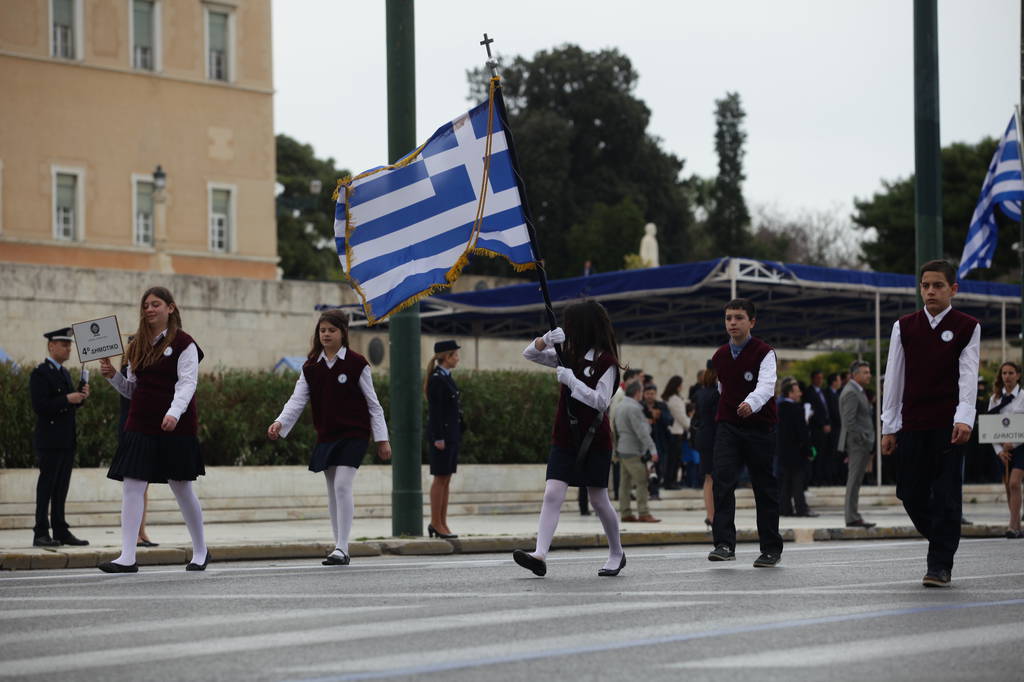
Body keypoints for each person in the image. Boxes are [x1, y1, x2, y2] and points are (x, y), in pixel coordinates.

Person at [881, 259, 980, 588]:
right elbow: (893, 379)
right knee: (909, 493)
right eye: (925, 285)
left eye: (938, 285)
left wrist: (965, 419)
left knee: (948, 495)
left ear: (953, 289)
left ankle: (939, 565)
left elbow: (969, 377)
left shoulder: (967, 326)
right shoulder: (904, 326)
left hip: (950, 426)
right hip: (912, 424)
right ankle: (944, 536)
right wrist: (889, 426)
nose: (931, 291)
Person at [268, 310, 392, 566]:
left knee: (342, 486)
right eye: (322, 330)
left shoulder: (357, 363)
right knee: (333, 491)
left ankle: (342, 547)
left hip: (354, 434)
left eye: (331, 330)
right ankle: (339, 546)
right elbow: (298, 399)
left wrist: (382, 439)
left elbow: (374, 404)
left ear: (343, 333)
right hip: (327, 435)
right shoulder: (311, 366)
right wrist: (280, 422)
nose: (325, 334)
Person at [98, 287, 208, 573]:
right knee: (132, 485)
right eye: (145, 305)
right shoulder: (136, 345)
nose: (149, 309)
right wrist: (113, 377)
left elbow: (187, 383)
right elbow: (133, 390)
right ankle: (127, 556)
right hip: (140, 423)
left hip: (176, 425)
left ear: (170, 308)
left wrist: (173, 413)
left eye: (155, 304)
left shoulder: (186, 344)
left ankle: (200, 551)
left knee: (181, 487)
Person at [513, 301, 625, 577]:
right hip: (564, 435)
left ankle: (616, 552)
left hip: (593, 439)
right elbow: (530, 354)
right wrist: (544, 340)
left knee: (598, 499)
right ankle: (540, 554)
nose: (568, 329)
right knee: (553, 493)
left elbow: (600, 401)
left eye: (571, 324)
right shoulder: (569, 353)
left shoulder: (607, 362)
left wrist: (572, 381)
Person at [708, 298, 784, 568]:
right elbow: (721, 388)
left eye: (739, 317)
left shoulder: (765, 353)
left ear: (752, 322)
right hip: (729, 426)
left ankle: (771, 548)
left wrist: (750, 404)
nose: (732, 323)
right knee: (723, 482)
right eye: (728, 317)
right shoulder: (718, 356)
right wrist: (733, 409)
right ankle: (724, 543)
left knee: (764, 488)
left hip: (760, 427)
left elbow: (767, 386)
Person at [29, 327, 90, 547]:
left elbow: (69, 403)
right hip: (50, 439)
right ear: (51, 346)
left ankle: (60, 529)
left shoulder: (63, 372)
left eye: (69, 345)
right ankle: (41, 532)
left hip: (65, 439)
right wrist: (68, 399)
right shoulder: (41, 373)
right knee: (47, 486)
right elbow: (41, 406)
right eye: (64, 345)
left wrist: (80, 397)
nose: (68, 349)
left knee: (61, 486)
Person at [118, 346, 157, 547]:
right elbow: (131, 393)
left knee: (142, 488)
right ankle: (136, 535)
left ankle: (140, 532)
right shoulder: (130, 371)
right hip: (132, 430)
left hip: (139, 429)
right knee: (135, 487)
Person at [424, 340, 463, 537]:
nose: (457, 358)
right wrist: (438, 437)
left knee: (446, 479)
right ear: (446, 357)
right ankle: (435, 523)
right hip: (442, 438)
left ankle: (442, 522)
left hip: (451, 436)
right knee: (440, 479)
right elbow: (436, 412)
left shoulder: (446, 377)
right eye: (455, 354)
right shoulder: (437, 379)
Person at [986, 362, 1024, 538]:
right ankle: (1016, 525)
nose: (1007, 376)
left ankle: (1012, 525)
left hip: (1020, 447)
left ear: (1018, 375)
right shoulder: (994, 399)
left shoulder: (1023, 397)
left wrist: (1013, 443)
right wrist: (999, 450)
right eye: (1004, 373)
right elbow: (989, 427)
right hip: (1001, 449)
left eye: (1011, 373)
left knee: (1015, 483)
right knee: (1008, 486)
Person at [615, 381, 660, 523]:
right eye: (641, 391)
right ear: (637, 393)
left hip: (623, 448)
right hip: (633, 449)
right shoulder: (633, 408)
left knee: (625, 483)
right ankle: (643, 512)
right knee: (642, 481)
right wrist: (652, 448)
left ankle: (625, 512)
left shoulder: (620, 405)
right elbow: (641, 432)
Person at [839, 361, 876, 528]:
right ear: (855, 375)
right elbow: (849, 422)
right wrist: (864, 439)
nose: (869, 375)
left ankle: (853, 515)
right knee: (854, 481)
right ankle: (852, 517)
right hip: (857, 444)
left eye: (869, 372)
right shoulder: (851, 392)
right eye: (865, 372)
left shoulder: (857, 391)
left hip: (861, 443)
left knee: (856, 480)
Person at [777, 378, 816, 517]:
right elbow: (802, 433)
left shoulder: (779, 408)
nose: (800, 394)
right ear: (790, 393)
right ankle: (801, 508)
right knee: (798, 481)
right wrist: (808, 449)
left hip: (783, 451)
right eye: (797, 391)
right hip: (797, 452)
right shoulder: (796, 409)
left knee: (786, 482)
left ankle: (784, 508)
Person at [609, 367, 643, 500]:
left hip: (625, 436)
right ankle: (619, 493)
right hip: (618, 435)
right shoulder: (619, 393)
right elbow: (613, 415)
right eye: (635, 379)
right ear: (629, 380)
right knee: (618, 465)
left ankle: (625, 492)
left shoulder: (628, 395)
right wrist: (614, 435)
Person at [692, 364, 719, 529]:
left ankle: (710, 515)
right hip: (715, 437)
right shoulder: (717, 393)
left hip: (703, 437)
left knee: (708, 478)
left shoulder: (699, 393)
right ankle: (714, 515)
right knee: (716, 477)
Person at [642, 383, 673, 498]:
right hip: (644, 444)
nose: (650, 396)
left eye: (652, 394)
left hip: (660, 442)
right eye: (648, 394)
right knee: (648, 469)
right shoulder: (640, 406)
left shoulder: (661, 406)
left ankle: (655, 491)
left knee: (659, 468)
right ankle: (650, 491)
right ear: (644, 394)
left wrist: (660, 416)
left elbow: (670, 420)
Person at [805, 369, 833, 486]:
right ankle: (814, 479)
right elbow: (813, 412)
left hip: (826, 428)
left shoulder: (823, 392)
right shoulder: (809, 392)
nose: (820, 380)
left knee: (824, 454)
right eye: (818, 378)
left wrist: (828, 423)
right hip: (816, 429)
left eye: (821, 378)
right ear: (813, 379)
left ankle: (822, 477)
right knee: (816, 455)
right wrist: (822, 425)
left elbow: (826, 409)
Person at [663, 376, 689, 490]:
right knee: (673, 459)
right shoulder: (674, 399)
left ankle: (672, 481)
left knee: (675, 459)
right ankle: (670, 482)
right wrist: (690, 427)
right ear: (678, 386)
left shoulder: (674, 398)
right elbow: (681, 417)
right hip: (675, 433)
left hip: (676, 432)